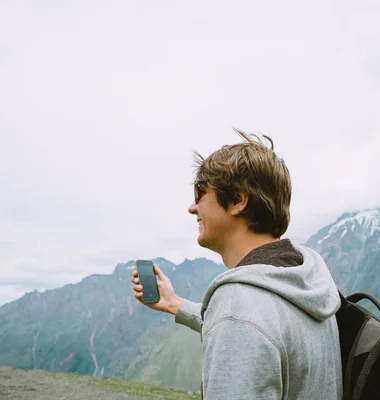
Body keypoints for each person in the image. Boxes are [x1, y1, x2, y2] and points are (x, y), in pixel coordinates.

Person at [131, 129, 342, 399]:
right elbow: (257, 328)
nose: (192, 208)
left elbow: (240, 321)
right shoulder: (308, 284)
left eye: (200, 193)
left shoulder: (239, 303)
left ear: (236, 201)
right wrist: (173, 303)